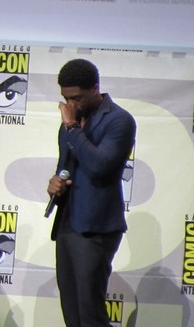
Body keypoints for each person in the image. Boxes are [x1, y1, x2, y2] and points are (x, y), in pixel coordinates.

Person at [46, 59, 136, 327]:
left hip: (96, 226)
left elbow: (100, 166)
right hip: (67, 222)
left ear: (95, 88)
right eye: (66, 98)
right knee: (72, 311)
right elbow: (66, 167)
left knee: (89, 312)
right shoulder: (71, 122)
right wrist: (54, 183)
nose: (71, 105)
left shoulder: (119, 120)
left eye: (77, 98)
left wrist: (73, 128)